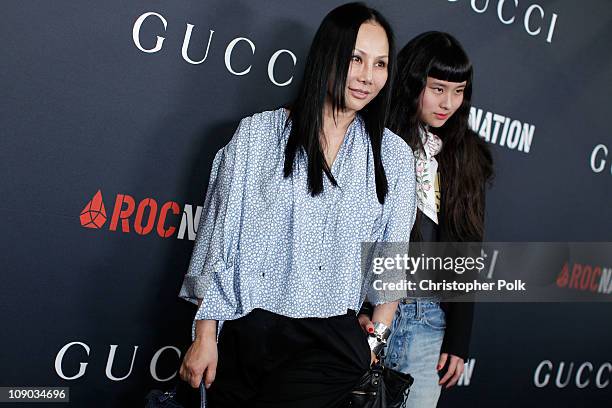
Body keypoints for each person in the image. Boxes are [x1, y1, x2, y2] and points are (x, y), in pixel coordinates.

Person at [177, 3, 417, 407]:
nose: (367, 77)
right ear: (327, 56)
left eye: (380, 64)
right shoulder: (258, 135)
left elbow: (390, 266)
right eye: (355, 59)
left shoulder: (391, 156)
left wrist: (374, 341)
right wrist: (204, 334)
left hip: (330, 347)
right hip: (248, 329)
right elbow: (218, 242)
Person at [359, 31, 494, 407]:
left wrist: (458, 339)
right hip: (365, 313)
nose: (447, 102)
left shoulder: (467, 155)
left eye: (458, 90)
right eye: (437, 88)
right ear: (414, 82)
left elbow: (467, 253)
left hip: (428, 320)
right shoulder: (374, 138)